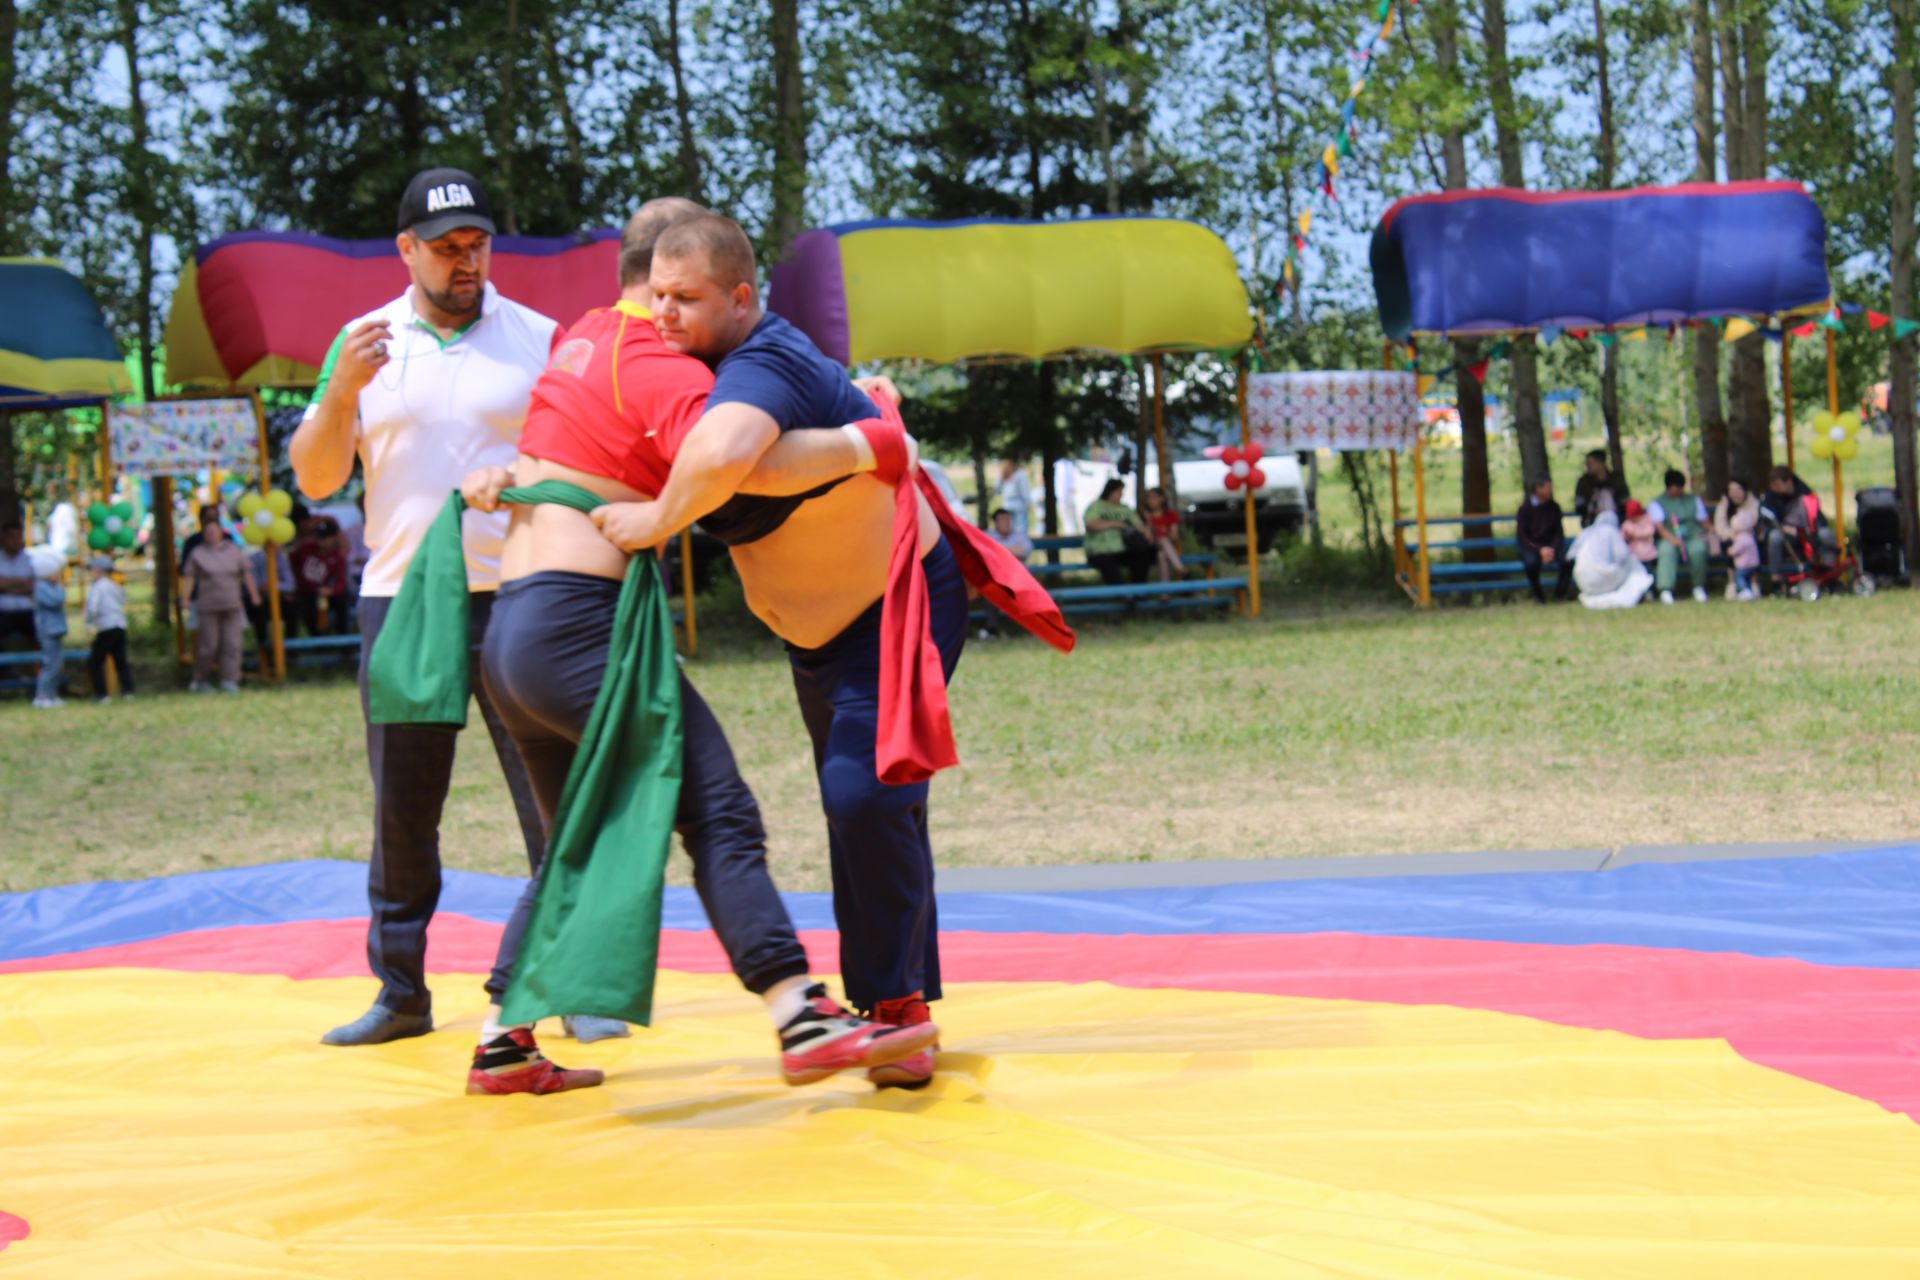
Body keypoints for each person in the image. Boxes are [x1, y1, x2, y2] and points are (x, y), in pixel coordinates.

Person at [455, 197, 939, 1095]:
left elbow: (553, 457)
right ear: (660, 284)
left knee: (576, 841)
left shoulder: (580, 341)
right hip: (577, 630)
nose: (679, 319)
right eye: (673, 296)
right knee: (717, 813)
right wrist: (872, 434)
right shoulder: (653, 359)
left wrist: (495, 477)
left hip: (510, 635)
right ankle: (797, 1009)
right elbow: (738, 465)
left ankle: (502, 1037)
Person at [584, 209, 1069, 1090]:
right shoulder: (668, 367)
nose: (664, 315)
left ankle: (893, 1008)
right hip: (816, 628)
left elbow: (737, 458)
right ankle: (902, 992)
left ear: (739, 298)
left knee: (863, 793)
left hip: (895, 598)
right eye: (654, 297)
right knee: (878, 797)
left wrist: (659, 518)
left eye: (685, 299)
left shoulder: (768, 360)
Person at [287, 167, 598, 1047]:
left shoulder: (537, 337)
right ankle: (400, 993)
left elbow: (577, 456)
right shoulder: (362, 342)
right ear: (407, 250)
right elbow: (314, 477)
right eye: (448, 248)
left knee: (554, 801)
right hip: (403, 603)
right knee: (401, 811)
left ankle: (566, 982)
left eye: (478, 245)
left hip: (522, 597)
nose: (467, 262)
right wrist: (341, 391)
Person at [181, 516, 259, 692]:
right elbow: (190, 577)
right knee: (209, 645)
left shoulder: (233, 550)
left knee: (232, 644)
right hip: (208, 605)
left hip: (232, 603)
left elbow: (246, 573)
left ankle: (230, 679)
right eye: (208, 532)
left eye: (214, 531)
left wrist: (253, 594)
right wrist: (185, 598)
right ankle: (200, 679)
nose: (212, 535)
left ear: (221, 533)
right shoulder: (198, 553)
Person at [1569, 510, 1653, 609]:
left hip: (1582, 580)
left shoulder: (1586, 532)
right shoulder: (1610, 530)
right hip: (1602, 577)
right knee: (1633, 562)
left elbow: (1570, 556)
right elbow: (1623, 555)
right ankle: (1643, 589)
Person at [1649, 468, 1710, 605]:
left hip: (1692, 536)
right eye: (1677, 487)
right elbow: (1660, 528)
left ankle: (1698, 587)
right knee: (1666, 552)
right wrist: (1673, 539)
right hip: (1669, 538)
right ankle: (1666, 589)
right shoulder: (1657, 503)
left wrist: (1711, 533)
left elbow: (1704, 521)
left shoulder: (1693, 500)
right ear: (1670, 487)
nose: (1680, 490)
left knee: (1698, 549)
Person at [1082, 478, 1154, 584]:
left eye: (1122, 491)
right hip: (1099, 550)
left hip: (1123, 549)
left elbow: (1139, 526)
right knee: (1108, 565)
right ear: (1110, 491)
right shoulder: (1096, 506)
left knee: (1142, 557)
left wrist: (1146, 531)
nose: (1121, 494)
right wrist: (1116, 524)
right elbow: (1091, 525)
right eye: (1119, 491)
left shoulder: (1125, 509)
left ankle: (1137, 592)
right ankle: (1124, 595)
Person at [290, 515, 352, 635]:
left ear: (334, 538)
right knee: (307, 603)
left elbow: (341, 582)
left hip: (328, 594)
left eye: (325, 537)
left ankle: (343, 640)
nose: (321, 541)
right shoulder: (304, 550)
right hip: (307, 594)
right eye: (319, 537)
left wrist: (331, 590)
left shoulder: (337, 557)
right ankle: (316, 640)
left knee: (342, 600)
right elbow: (292, 565)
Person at [1515, 475, 1573, 603]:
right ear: (1538, 489)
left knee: (1567, 561)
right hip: (1532, 546)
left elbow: (1559, 533)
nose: (1550, 491)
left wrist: (1551, 549)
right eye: (1547, 487)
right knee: (1531, 563)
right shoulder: (1525, 509)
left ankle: (1560, 596)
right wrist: (1539, 550)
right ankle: (1539, 596)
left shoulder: (1554, 507)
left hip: (1551, 545)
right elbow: (1522, 537)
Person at [84, 555, 133, 701]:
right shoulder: (114, 586)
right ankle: (128, 691)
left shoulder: (98, 587)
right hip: (120, 626)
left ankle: (102, 694)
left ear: (98, 570)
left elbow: (92, 607)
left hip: (106, 627)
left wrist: (89, 623)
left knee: (95, 662)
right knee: (121, 661)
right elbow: (122, 598)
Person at [27, 544, 69, 707]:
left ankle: (51, 695)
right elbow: (57, 600)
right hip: (47, 630)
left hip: (55, 629)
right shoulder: (41, 587)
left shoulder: (47, 586)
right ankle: (43, 695)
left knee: (56, 664)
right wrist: (59, 587)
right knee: (49, 664)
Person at [1714, 478, 1762, 601]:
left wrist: (1743, 535)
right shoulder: (1724, 505)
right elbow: (1720, 526)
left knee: (1753, 545)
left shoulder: (1753, 503)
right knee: (1729, 546)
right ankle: (1732, 583)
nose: (1735, 493)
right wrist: (1733, 536)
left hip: (1750, 537)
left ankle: (1754, 582)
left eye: (1738, 490)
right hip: (1731, 538)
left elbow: (1753, 523)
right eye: (1732, 490)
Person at [0, 519, 36, 654]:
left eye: (18, 536)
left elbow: (32, 586)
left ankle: (40, 670)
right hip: (3, 613)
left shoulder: (29, 560)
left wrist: (6, 586)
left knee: (42, 634)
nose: (15, 541)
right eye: (11, 536)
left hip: (27, 612)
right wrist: (22, 583)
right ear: (4, 538)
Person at [1572, 449, 1630, 527]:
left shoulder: (1616, 481)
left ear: (1600, 463)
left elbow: (1625, 503)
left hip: (1616, 524)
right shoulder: (1584, 483)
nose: (1587, 466)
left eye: (1589, 464)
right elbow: (1579, 506)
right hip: (1592, 525)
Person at [1140, 485, 1185, 583]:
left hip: (1165, 548)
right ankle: (1181, 569)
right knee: (1162, 541)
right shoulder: (1145, 516)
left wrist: (1165, 533)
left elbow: (1175, 537)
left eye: (1153, 497)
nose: (1150, 501)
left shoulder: (1171, 515)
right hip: (1150, 549)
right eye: (1148, 498)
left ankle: (1165, 593)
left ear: (1162, 499)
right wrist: (1148, 521)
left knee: (1162, 554)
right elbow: (1148, 538)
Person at [996, 458, 1034, 539]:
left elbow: (997, 490)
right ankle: (1020, 546)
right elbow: (1025, 491)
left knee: (1009, 529)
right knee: (1021, 529)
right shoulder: (1019, 474)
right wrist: (1028, 503)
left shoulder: (1004, 474)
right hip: (1019, 505)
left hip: (1007, 504)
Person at [1620, 499, 1659, 577]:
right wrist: (1627, 536)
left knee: (1648, 574)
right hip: (1634, 555)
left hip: (1648, 554)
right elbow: (1622, 536)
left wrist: (1635, 533)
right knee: (1636, 575)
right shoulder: (1627, 523)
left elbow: (1650, 530)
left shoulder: (1647, 519)